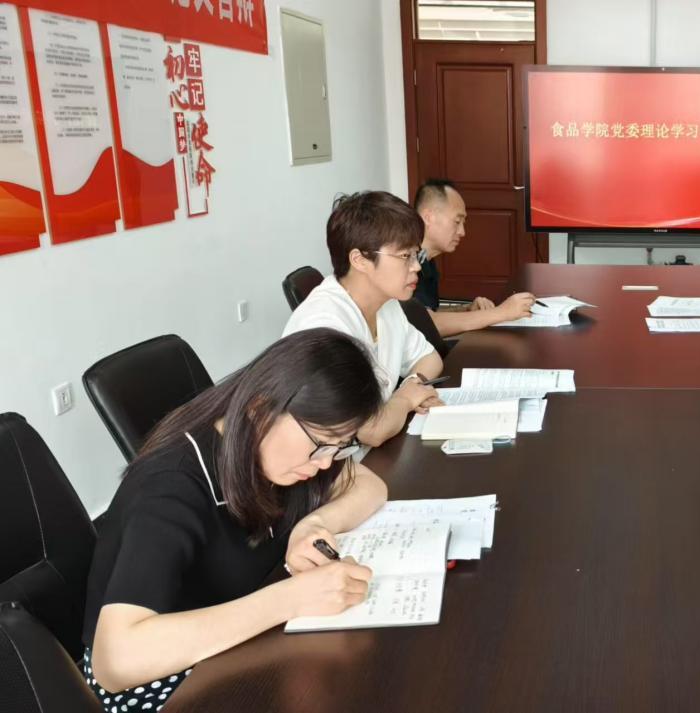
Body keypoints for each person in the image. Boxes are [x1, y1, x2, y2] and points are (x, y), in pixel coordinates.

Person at [81, 329, 387, 710]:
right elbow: (115, 661)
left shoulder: (282, 452)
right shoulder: (170, 485)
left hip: (238, 647)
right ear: (261, 409)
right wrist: (291, 599)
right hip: (166, 684)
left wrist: (312, 525)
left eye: (340, 446)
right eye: (322, 444)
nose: (327, 463)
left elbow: (370, 486)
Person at [284, 191, 444, 446]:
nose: (416, 266)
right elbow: (372, 431)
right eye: (405, 256)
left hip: (368, 453)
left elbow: (429, 358)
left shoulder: (386, 302)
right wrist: (406, 398)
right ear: (359, 260)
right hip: (323, 462)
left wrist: (413, 385)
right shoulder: (325, 324)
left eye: (416, 254)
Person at [412, 178, 536, 335]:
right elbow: (426, 324)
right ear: (428, 217)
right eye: (457, 221)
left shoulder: (426, 260)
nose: (462, 232)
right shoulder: (407, 263)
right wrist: (502, 312)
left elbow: (428, 312)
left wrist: (468, 309)